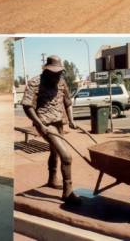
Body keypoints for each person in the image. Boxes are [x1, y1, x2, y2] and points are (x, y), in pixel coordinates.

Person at [21, 55, 81, 205]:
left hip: (59, 122)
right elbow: (27, 106)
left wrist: (72, 120)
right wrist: (39, 124)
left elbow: (68, 103)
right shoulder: (35, 82)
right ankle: (68, 192)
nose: (57, 76)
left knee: (54, 151)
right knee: (66, 156)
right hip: (45, 124)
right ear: (46, 71)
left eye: (59, 72)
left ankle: (52, 179)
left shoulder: (61, 82)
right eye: (54, 73)